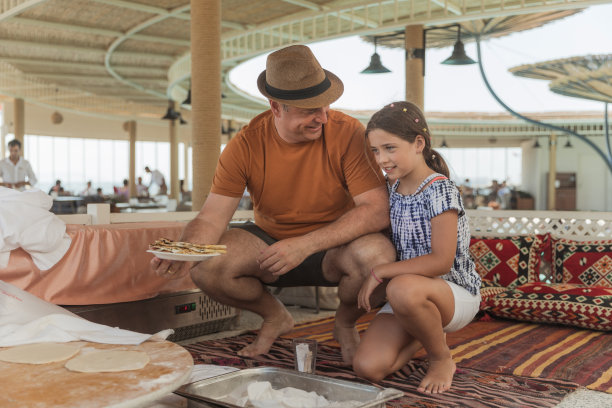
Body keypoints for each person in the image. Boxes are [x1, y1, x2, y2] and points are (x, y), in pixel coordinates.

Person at [151, 44, 394, 364]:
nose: (323, 117)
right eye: (310, 110)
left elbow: (376, 209)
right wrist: (185, 250)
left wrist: (305, 244)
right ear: (276, 107)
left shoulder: (348, 132)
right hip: (269, 245)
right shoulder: (245, 144)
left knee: (380, 257)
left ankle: (344, 322)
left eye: (325, 106)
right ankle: (275, 315)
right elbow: (211, 218)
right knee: (207, 268)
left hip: (337, 245)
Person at [352, 101, 481, 394]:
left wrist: (380, 271)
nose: (382, 159)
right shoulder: (391, 189)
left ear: (418, 143)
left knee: (400, 288)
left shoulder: (440, 190)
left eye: (390, 148)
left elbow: (441, 262)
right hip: (409, 294)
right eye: (375, 151)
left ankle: (441, 357)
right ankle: (423, 331)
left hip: (453, 293)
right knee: (368, 368)